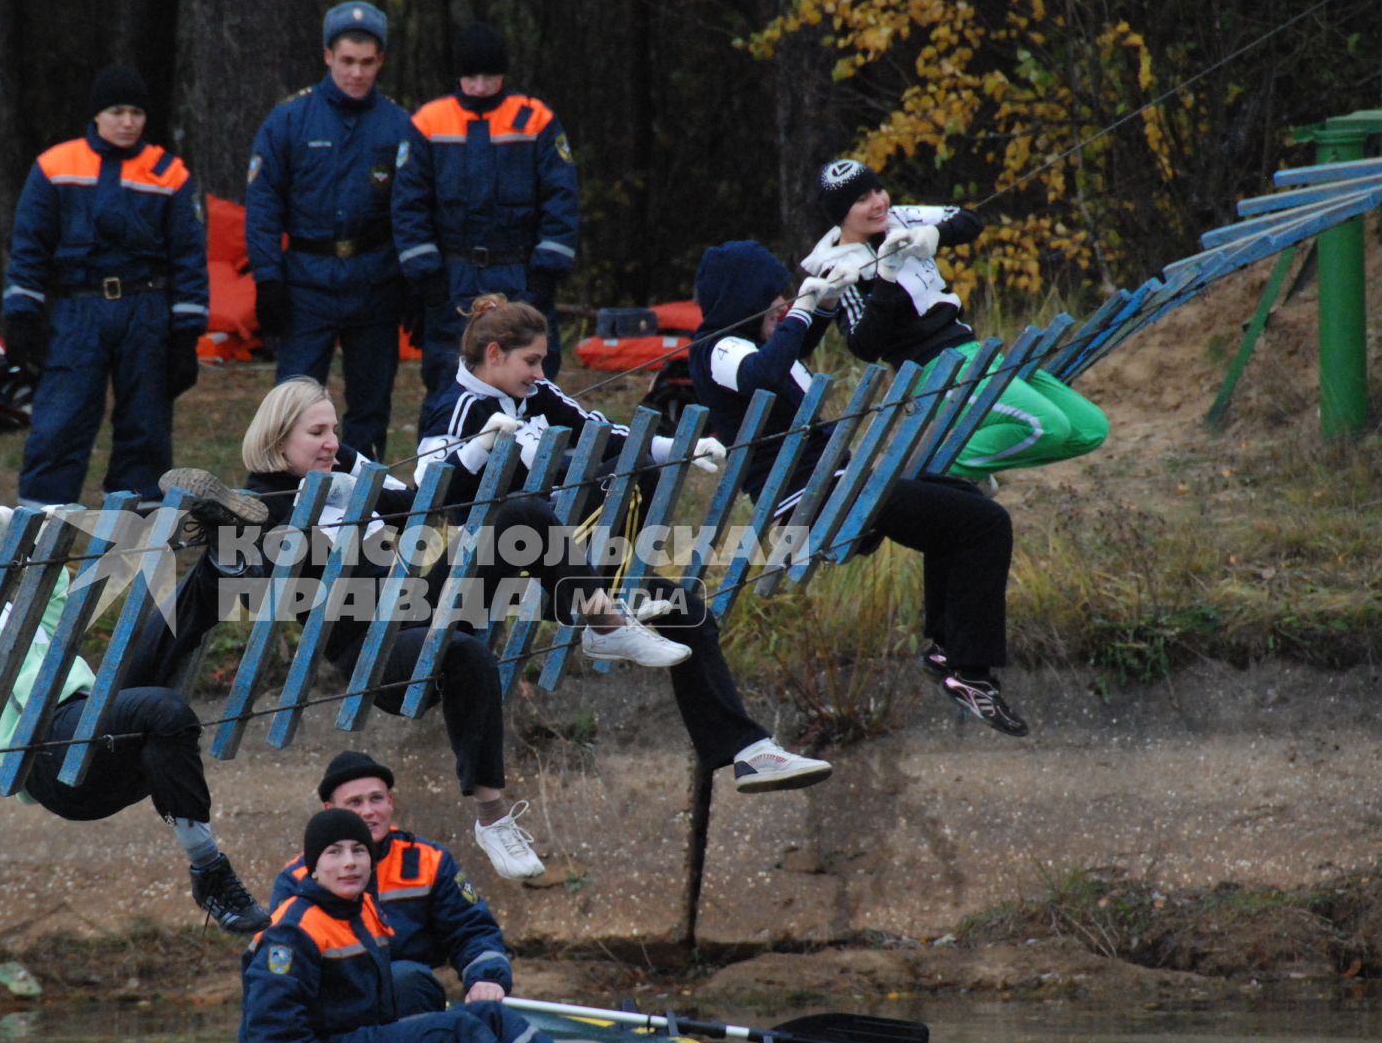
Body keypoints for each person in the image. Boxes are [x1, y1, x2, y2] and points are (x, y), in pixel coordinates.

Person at [226, 376, 700, 882]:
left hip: (417, 607)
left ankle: (602, 622)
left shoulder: (346, 465)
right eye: (316, 432)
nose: (331, 442)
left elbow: (416, 501)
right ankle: (492, 817)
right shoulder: (260, 504)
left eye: (334, 429)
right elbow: (243, 560)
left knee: (522, 515)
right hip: (373, 652)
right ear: (278, 439)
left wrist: (476, 448)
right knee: (465, 652)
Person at [419, 295, 840, 785]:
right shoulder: (455, 408)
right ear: (494, 354)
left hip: (573, 571)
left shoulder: (537, 395)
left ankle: (747, 751)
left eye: (541, 362)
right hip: (510, 574)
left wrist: (678, 449)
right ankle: (606, 615)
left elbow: (604, 432)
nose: (538, 372)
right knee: (619, 475)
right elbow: (427, 493)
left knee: (686, 608)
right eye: (530, 361)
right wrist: (478, 448)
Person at [0, 483, 271, 933]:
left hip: (86, 724)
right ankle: (209, 871)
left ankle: (221, 565)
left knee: (160, 633)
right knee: (163, 710)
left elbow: (50, 621)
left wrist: (38, 553)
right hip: (49, 757)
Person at [689, 239, 1029, 736]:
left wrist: (823, 306)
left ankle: (947, 649)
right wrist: (802, 311)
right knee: (986, 525)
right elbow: (762, 371)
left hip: (837, 488)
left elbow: (788, 352)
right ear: (743, 299)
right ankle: (971, 672)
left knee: (965, 507)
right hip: (811, 502)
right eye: (774, 297)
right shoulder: (717, 347)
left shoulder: (751, 344)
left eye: (785, 297)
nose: (782, 305)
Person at [240, 807, 573, 1043]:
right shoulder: (292, 929)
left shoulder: (363, 909)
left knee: (489, 1014)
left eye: (359, 851)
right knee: (454, 1033)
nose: (349, 863)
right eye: (334, 853)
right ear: (313, 866)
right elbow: (266, 1025)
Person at [801, 158, 1107, 483]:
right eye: (862, 200)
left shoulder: (899, 218)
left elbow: (969, 219)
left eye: (878, 190)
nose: (878, 203)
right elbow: (863, 345)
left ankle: (973, 463)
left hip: (973, 349)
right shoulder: (835, 265)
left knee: (1090, 429)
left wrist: (935, 234)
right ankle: (940, 471)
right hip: (935, 370)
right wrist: (884, 279)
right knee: (1046, 426)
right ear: (841, 214)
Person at [4, 65, 208, 506]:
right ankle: (40, 538)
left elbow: (188, 257)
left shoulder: (168, 173)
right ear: (97, 114)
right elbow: (29, 248)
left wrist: (186, 337)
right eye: (117, 111)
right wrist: (22, 317)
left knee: (146, 429)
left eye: (136, 112)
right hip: (79, 311)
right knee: (60, 422)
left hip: (146, 310)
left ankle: (133, 546)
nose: (127, 122)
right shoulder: (56, 166)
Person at [392, 22, 579, 438]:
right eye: (470, 77)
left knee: (531, 374)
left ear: (504, 74)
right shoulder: (430, 121)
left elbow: (561, 198)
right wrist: (426, 278)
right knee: (447, 372)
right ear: (456, 75)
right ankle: (442, 470)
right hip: (453, 274)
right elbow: (408, 204)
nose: (479, 86)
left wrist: (546, 273)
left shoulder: (535, 120)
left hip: (518, 271)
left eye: (489, 77)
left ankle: (534, 471)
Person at [244, 1, 413, 460]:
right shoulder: (290, 120)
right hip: (306, 281)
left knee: (371, 403)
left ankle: (361, 503)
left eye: (366, 62)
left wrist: (413, 278)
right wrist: (268, 278)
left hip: (375, 279)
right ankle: (280, 496)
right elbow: (262, 205)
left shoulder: (398, 125)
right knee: (293, 400)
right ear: (327, 57)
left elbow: (412, 207)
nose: (356, 73)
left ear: (380, 60)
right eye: (347, 61)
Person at [272, 751, 511, 1016]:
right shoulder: (295, 878)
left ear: (390, 802)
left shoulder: (429, 860)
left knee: (405, 978)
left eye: (376, 799)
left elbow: (471, 929)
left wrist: (486, 978)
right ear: (331, 811)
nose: (368, 811)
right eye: (354, 802)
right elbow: (281, 966)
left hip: (411, 1000)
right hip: (336, 1012)